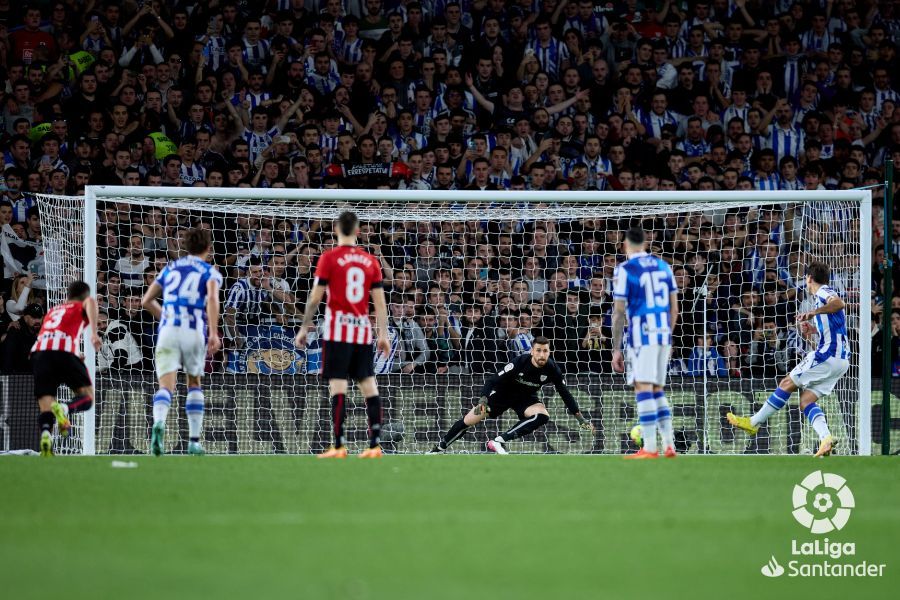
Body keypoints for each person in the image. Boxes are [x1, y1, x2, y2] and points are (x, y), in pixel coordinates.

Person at [294, 211, 390, 458]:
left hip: (337, 330)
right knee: (369, 385)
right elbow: (379, 303)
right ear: (358, 231)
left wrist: (304, 327)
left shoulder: (328, 258)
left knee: (338, 386)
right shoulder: (370, 261)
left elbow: (315, 297)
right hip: (362, 330)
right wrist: (383, 334)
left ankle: (338, 445)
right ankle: (374, 446)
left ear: (336, 230)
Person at [727, 261, 848, 457]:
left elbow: (839, 303)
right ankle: (826, 438)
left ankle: (753, 422)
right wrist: (815, 329)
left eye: (805, 278)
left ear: (809, 278)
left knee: (786, 383)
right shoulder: (823, 295)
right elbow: (836, 326)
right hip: (841, 360)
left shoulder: (823, 292)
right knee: (806, 400)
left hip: (828, 354)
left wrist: (813, 312)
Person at [430, 337, 593, 454]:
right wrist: (483, 400)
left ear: (549, 352)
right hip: (502, 394)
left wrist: (581, 419)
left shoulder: (552, 369)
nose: (542, 355)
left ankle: (498, 441)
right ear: (532, 351)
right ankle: (438, 449)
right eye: (538, 351)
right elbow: (492, 380)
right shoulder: (519, 362)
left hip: (525, 398)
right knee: (468, 421)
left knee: (542, 415)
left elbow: (565, 394)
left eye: (545, 351)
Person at [140, 228, 222, 456]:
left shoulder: (170, 268)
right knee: (193, 383)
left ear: (186, 247)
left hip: (167, 331)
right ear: (208, 248)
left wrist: (165, 317)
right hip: (193, 331)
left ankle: (159, 424)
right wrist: (214, 333)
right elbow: (213, 299)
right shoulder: (210, 271)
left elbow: (146, 300)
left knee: (166, 386)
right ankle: (194, 441)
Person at [611, 227, 679, 459]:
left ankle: (649, 448)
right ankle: (669, 444)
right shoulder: (664, 266)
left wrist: (616, 348)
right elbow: (674, 309)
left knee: (642, 386)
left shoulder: (625, 269)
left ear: (625, 245)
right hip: (663, 334)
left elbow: (619, 313)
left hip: (642, 334)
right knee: (657, 388)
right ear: (645, 243)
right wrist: (666, 335)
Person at [30, 282, 101, 457]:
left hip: (39, 354)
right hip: (64, 353)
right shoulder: (82, 303)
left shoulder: (52, 311)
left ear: (67, 295)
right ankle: (64, 408)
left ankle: (46, 437)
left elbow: (56, 333)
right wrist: (93, 333)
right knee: (88, 397)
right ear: (84, 295)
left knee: (46, 405)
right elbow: (91, 303)